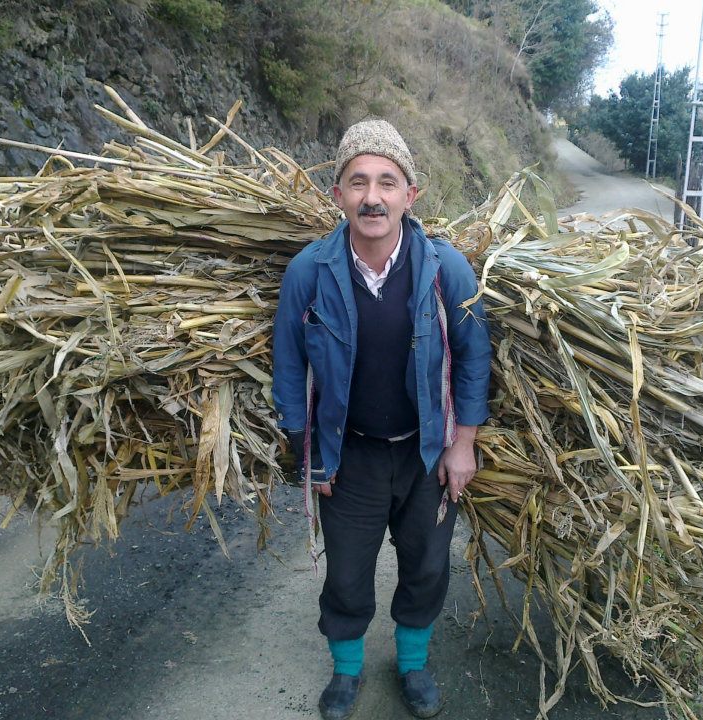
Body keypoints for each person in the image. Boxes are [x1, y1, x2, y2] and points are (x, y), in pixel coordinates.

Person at [273, 119, 492, 719]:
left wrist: (462, 444)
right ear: (338, 193)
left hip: (426, 452)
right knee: (347, 570)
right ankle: (346, 672)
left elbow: (474, 358)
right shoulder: (309, 273)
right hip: (352, 454)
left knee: (425, 564)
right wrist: (308, 451)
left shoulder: (446, 270)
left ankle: (413, 665)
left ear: (410, 196)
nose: (373, 197)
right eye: (358, 182)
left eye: (388, 183)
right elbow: (290, 367)